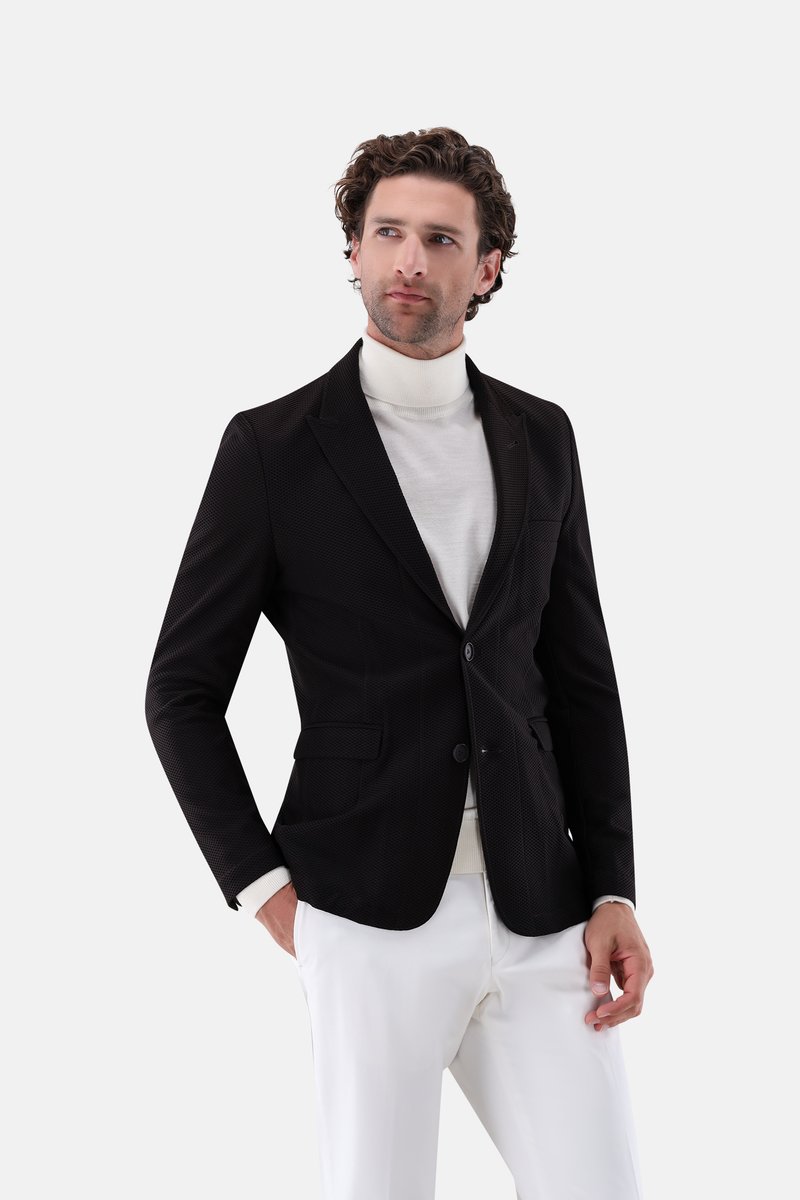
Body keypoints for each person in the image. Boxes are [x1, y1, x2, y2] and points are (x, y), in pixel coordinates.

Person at [145, 126, 654, 1199]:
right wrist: (266, 892)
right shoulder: (273, 449)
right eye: (385, 233)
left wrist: (612, 884)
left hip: (540, 904)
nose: (408, 260)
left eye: (439, 238)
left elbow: (581, 679)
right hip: (362, 907)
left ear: (488, 267)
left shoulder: (542, 436)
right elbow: (181, 693)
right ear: (352, 250)